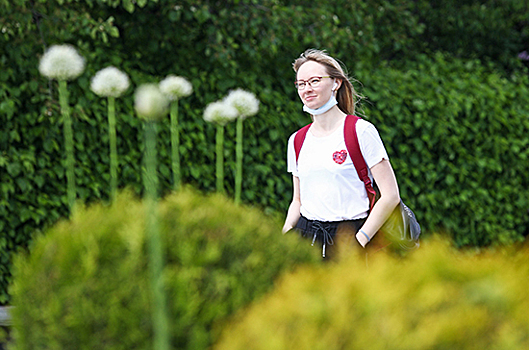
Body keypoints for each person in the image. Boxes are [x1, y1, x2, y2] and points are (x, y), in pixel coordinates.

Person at [282, 49, 401, 258]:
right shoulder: (297, 140)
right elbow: (298, 200)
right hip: (305, 239)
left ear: (336, 83)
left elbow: (390, 196)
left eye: (315, 81)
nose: (306, 89)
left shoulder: (361, 131)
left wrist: (360, 239)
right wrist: (284, 237)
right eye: (301, 84)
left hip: (349, 239)